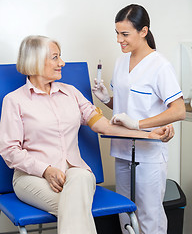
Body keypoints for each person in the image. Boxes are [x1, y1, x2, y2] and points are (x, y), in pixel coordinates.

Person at [0, 35, 174, 234]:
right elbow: (10, 150)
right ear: (36, 61)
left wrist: (148, 134)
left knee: (81, 180)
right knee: (77, 206)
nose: (62, 63)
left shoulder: (71, 93)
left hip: (76, 173)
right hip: (31, 177)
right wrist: (46, 170)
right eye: (55, 57)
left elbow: (105, 126)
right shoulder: (14, 101)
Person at [92, 4, 186, 234]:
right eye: (117, 33)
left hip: (149, 151)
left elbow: (178, 110)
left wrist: (138, 125)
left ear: (143, 31)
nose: (119, 40)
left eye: (125, 34)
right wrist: (106, 99)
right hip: (123, 148)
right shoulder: (121, 61)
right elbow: (126, 107)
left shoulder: (160, 65)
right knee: (125, 212)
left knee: (148, 214)